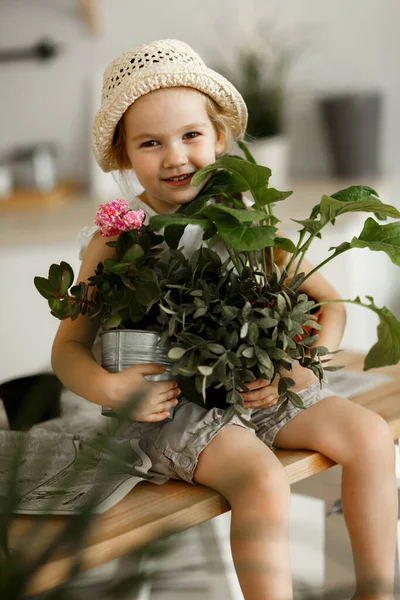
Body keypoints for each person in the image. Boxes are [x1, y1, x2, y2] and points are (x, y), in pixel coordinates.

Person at [52, 39, 397, 600]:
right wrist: (113, 387)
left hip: (255, 386)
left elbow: (327, 302)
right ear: (123, 155)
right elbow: (67, 350)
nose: (174, 157)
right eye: (150, 143)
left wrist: (298, 362)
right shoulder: (117, 239)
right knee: (261, 478)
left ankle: (375, 592)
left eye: (191, 136)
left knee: (371, 436)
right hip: (170, 405)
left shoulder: (248, 215)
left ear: (218, 137)